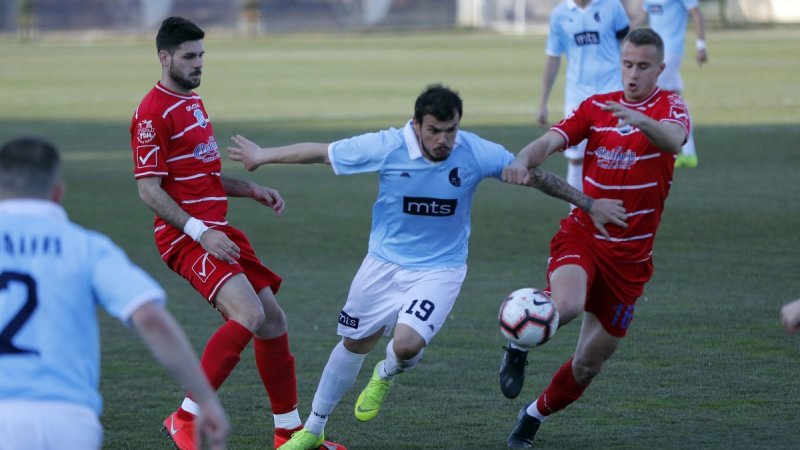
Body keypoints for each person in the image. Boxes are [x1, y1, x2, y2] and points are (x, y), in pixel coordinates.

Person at [227, 83, 626, 450]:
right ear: (416, 125)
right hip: (382, 264)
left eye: (451, 130)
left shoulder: (475, 152)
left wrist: (588, 203)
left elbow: (536, 177)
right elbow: (322, 152)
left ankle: (386, 373)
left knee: (406, 345)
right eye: (434, 131)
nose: (443, 140)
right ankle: (314, 428)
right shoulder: (388, 146)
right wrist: (263, 156)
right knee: (354, 343)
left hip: (440, 270)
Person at [129, 17, 344, 450]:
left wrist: (250, 189)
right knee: (248, 314)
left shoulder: (193, 102)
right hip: (186, 238)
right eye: (189, 57)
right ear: (164, 58)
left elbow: (199, 177)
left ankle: (288, 433)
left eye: (202, 56)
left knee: (273, 320)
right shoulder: (151, 114)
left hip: (217, 231)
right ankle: (185, 418)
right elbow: (149, 190)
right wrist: (200, 233)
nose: (198, 64)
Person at [499, 28, 691, 448]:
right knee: (567, 304)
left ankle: (532, 417)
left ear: (660, 68)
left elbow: (673, 139)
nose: (633, 74)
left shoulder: (671, 108)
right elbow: (550, 141)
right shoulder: (596, 107)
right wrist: (521, 159)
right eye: (627, 65)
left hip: (630, 262)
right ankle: (517, 344)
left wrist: (642, 120)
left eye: (643, 66)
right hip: (584, 235)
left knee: (588, 365)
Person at [0, 136, 228, 450]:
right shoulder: (86, 246)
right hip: (68, 421)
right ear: (58, 193)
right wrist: (205, 400)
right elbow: (149, 317)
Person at [538, 0, 630, 197]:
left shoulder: (612, 6)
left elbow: (629, 46)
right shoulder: (559, 14)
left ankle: (617, 208)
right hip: (577, 98)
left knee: (617, 158)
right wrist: (543, 103)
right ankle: (576, 212)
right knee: (576, 159)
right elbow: (553, 58)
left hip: (613, 94)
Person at [633, 0, 708, 169]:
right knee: (676, 101)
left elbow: (697, 13)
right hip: (655, 51)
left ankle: (647, 150)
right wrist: (622, 33)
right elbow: (640, 17)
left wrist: (701, 46)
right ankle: (689, 154)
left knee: (648, 95)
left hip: (671, 51)